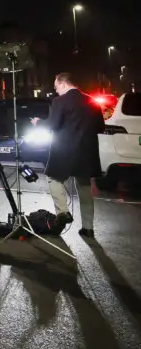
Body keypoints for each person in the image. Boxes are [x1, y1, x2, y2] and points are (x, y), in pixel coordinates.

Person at [43, 72, 103, 238]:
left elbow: (53, 125)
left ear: (63, 84)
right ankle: (88, 228)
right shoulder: (92, 101)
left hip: (65, 151)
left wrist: (38, 122)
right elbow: (100, 127)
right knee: (84, 188)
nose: (56, 91)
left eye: (56, 87)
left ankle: (63, 212)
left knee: (53, 178)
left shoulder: (59, 101)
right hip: (87, 152)